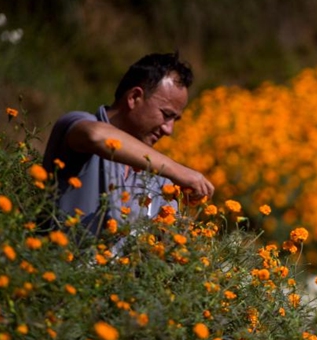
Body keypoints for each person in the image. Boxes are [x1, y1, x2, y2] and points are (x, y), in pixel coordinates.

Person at [42, 51, 214, 234]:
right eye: (166, 115)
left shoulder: (159, 180)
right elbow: (95, 135)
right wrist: (175, 169)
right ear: (134, 97)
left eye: (175, 120)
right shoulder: (78, 125)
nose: (168, 129)